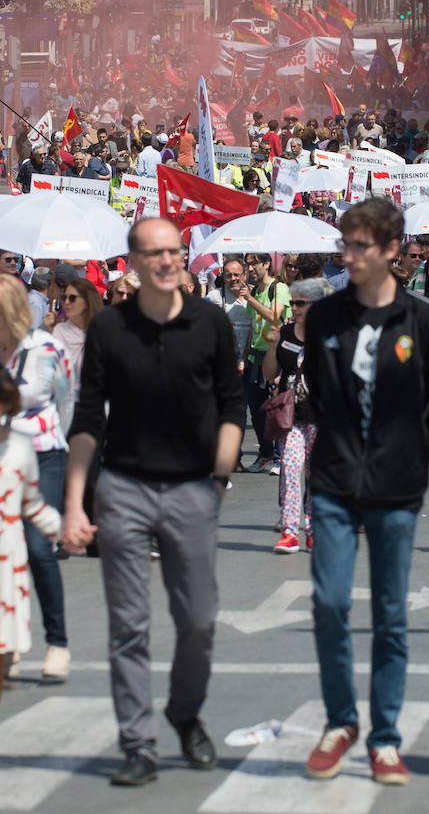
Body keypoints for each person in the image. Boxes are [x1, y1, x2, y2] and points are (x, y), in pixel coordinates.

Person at [62, 216, 244, 786]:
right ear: (135, 262)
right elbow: (88, 420)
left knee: (198, 620)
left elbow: (231, 407)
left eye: (174, 252)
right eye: (154, 253)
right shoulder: (111, 329)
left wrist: (218, 479)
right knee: (129, 625)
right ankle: (137, 743)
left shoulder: (209, 322)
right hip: (124, 489)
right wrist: (73, 503)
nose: (167, 261)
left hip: (194, 489)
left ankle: (185, 714)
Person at [303, 199, 429, 785]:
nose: (348, 255)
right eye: (345, 243)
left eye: (360, 245)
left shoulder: (423, 320)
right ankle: (341, 722)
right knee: (331, 603)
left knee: (390, 614)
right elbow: (319, 385)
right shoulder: (325, 318)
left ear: (393, 251)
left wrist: (415, 456)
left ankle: (384, 738)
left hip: (397, 486)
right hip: (336, 482)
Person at [0, 275, 73, 680]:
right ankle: (6, 643)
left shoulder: (48, 349)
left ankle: (57, 642)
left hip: (42, 455)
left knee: (37, 547)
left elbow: (66, 401)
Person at [0, 369, 61, 699]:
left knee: (6, 614)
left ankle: (6, 666)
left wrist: (63, 529)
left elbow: (32, 503)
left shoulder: (21, 449)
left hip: (8, 549)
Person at [263, 279, 329, 554]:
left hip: (322, 418)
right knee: (290, 471)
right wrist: (272, 345)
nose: (297, 308)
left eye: (303, 303)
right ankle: (290, 532)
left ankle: (314, 532)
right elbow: (269, 374)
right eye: (294, 303)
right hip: (291, 417)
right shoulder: (285, 333)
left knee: (317, 478)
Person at [242, 253, 291, 474]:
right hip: (255, 357)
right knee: (257, 411)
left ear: (266, 264)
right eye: (248, 263)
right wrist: (244, 357)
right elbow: (254, 326)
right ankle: (266, 454)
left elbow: (275, 316)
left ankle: (280, 458)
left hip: (276, 356)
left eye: (254, 263)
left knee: (276, 410)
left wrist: (249, 299)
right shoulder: (254, 291)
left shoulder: (279, 288)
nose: (250, 268)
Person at [45, 279, 104, 399]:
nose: (66, 302)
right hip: (65, 401)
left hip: (96, 401)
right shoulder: (58, 331)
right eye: (64, 297)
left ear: (87, 301)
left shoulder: (102, 333)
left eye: (72, 298)